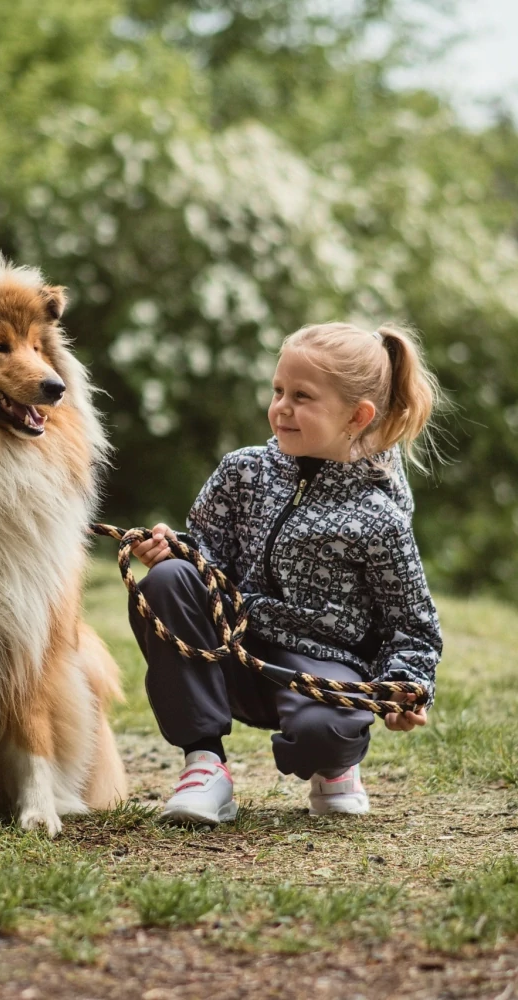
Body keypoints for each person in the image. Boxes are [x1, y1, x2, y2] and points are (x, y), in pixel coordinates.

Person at [129, 322, 443, 823]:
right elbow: (211, 555)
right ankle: (205, 765)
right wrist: (177, 551)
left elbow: (413, 626)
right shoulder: (243, 471)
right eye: (278, 390)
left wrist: (406, 685)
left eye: (302, 396)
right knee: (166, 582)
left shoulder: (379, 517)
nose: (281, 407)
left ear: (356, 416)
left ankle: (335, 767)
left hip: (321, 671)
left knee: (326, 733)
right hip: (234, 650)